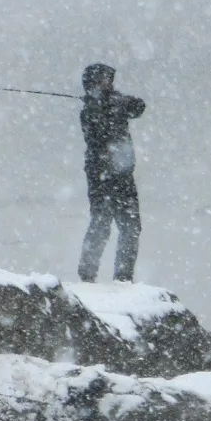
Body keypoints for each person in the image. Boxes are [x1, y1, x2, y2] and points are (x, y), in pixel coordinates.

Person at [77, 63, 145, 282]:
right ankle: (87, 274)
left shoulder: (117, 103)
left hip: (123, 175)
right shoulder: (89, 112)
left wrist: (115, 100)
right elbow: (98, 136)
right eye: (106, 80)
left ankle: (123, 277)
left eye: (110, 80)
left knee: (131, 226)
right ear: (94, 83)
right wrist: (103, 104)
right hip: (101, 177)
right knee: (101, 223)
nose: (110, 84)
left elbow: (139, 106)